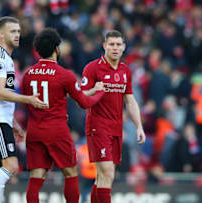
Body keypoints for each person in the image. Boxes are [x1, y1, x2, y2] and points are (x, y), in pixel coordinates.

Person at [21, 28, 105, 203]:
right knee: (70, 173)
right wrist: (99, 93)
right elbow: (83, 102)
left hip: (35, 130)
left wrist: (89, 91)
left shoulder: (27, 75)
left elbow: (55, 94)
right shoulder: (64, 75)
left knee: (36, 177)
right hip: (56, 130)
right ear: (57, 49)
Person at [0, 16, 48, 203]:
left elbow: (1, 95)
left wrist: (13, 122)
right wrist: (29, 100)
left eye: (18, 31)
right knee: (12, 165)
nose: (17, 35)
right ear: (1, 34)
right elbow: (1, 93)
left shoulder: (6, 59)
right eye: (12, 31)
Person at [80, 30, 146, 203]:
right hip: (97, 126)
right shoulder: (92, 68)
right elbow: (80, 96)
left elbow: (130, 101)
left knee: (103, 177)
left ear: (124, 47)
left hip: (116, 128)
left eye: (118, 45)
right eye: (111, 44)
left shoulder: (125, 71)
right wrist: (94, 89)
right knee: (108, 172)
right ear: (104, 46)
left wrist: (139, 126)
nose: (115, 48)